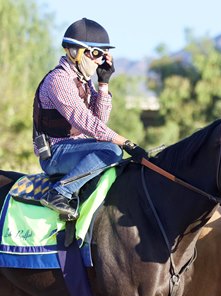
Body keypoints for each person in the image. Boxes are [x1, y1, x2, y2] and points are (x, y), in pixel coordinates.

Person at [33, 18, 147, 222]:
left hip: (77, 150)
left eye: (103, 55)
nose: (98, 60)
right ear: (75, 52)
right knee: (111, 150)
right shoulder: (58, 81)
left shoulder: (83, 82)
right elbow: (87, 123)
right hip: (56, 154)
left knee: (110, 149)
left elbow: (100, 121)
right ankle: (59, 193)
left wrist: (103, 83)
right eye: (95, 53)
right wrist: (125, 142)